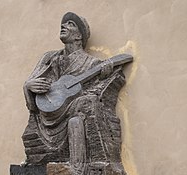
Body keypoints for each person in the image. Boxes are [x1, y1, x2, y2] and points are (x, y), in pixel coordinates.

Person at [22, 12, 119, 167]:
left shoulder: (91, 63)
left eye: (70, 24)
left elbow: (99, 94)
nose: (63, 26)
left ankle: (78, 170)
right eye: (64, 23)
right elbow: (30, 85)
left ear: (79, 37)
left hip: (74, 111)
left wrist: (105, 74)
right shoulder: (49, 58)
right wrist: (29, 87)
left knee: (83, 109)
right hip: (48, 114)